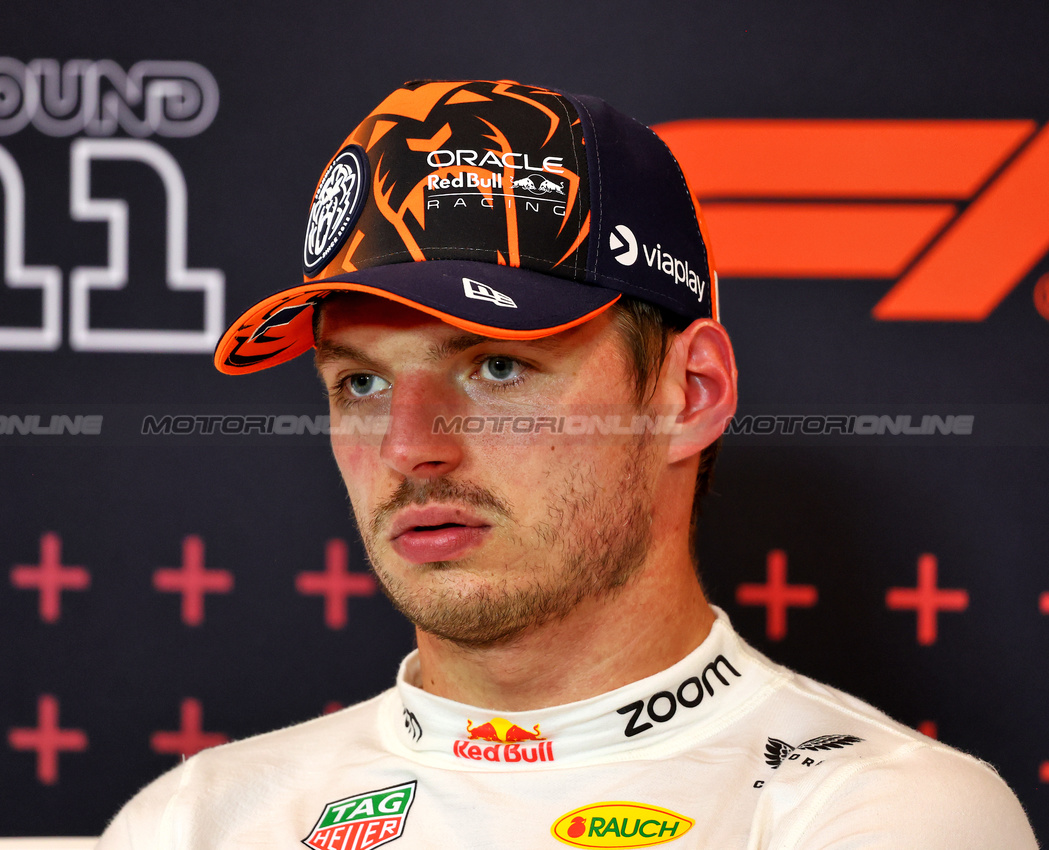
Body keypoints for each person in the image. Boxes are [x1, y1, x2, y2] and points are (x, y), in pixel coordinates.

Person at [97, 80, 1036, 849]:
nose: (409, 446)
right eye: (361, 385)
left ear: (688, 394)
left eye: (497, 367)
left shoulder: (879, 817)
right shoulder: (196, 821)